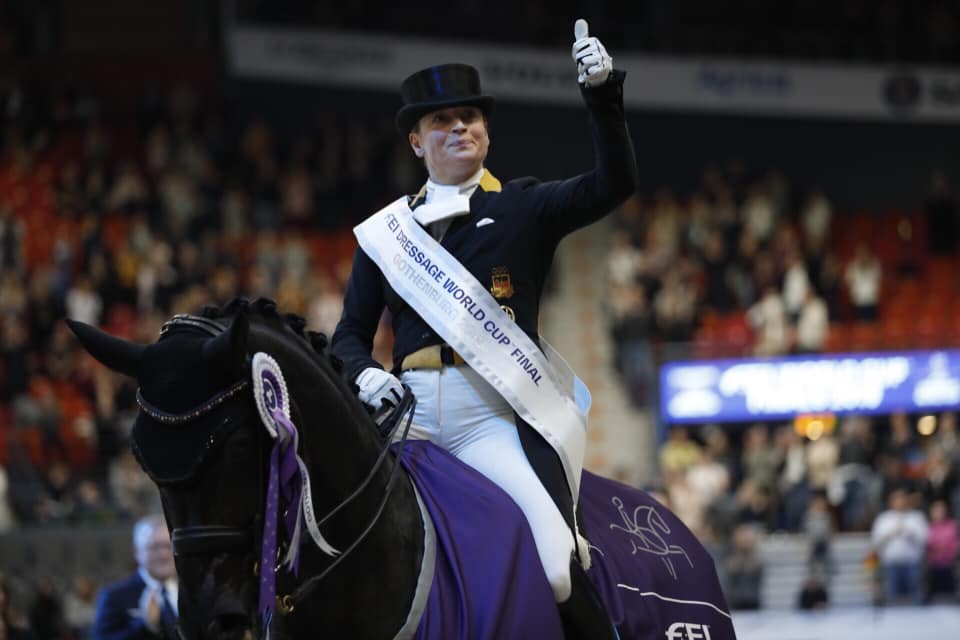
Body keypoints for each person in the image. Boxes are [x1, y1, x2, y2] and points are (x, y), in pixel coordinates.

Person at [331, 18, 637, 639]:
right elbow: (348, 337)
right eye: (442, 121)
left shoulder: (523, 205)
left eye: (470, 117)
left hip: (489, 416)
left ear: (487, 132)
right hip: (408, 414)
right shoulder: (386, 235)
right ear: (417, 143)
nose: (459, 128)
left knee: (555, 563)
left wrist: (602, 96)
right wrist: (362, 374)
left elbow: (614, 184)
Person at [92, 514, 178, 640]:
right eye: (155, 547)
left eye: (168, 546)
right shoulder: (114, 596)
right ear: (137, 552)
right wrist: (145, 625)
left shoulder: (190, 591)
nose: (164, 555)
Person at [870, 488, 929, 605]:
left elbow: (925, 539)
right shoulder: (883, 518)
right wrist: (891, 534)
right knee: (893, 600)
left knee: (914, 601)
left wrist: (909, 533)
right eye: (896, 499)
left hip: (912, 564)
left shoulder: (916, 517)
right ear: (891, 502)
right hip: (891, 564)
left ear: (907, 500)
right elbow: (875, 541)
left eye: (902, 499)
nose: (900, 502)